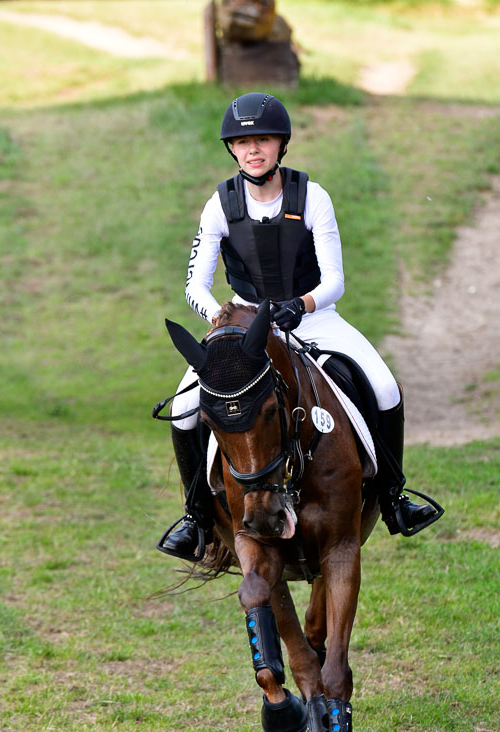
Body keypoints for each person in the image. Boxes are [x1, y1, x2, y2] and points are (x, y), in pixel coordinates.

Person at [159, 92, 441, 560]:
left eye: (263, 140)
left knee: (386, 387)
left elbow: (335, 280)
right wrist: (223, 320)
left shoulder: (312, 197)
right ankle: (197, 518)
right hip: (244, 326)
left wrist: (301, 304)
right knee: (187, 408)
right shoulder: (219, 204)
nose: (254, 150)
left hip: (313, 317)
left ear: (280, 145)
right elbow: (195, 284)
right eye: (243, 142)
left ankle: (393, 497)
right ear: (232, 148)